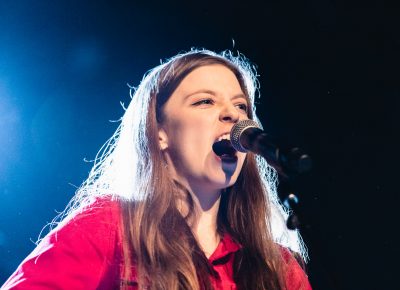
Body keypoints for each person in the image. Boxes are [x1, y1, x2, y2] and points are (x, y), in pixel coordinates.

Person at [1, 49, 312, 290]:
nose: (232, 114)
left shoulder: (278, 267)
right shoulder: (113, 228)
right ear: (159, 132)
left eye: (241, 106)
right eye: (205, 101)